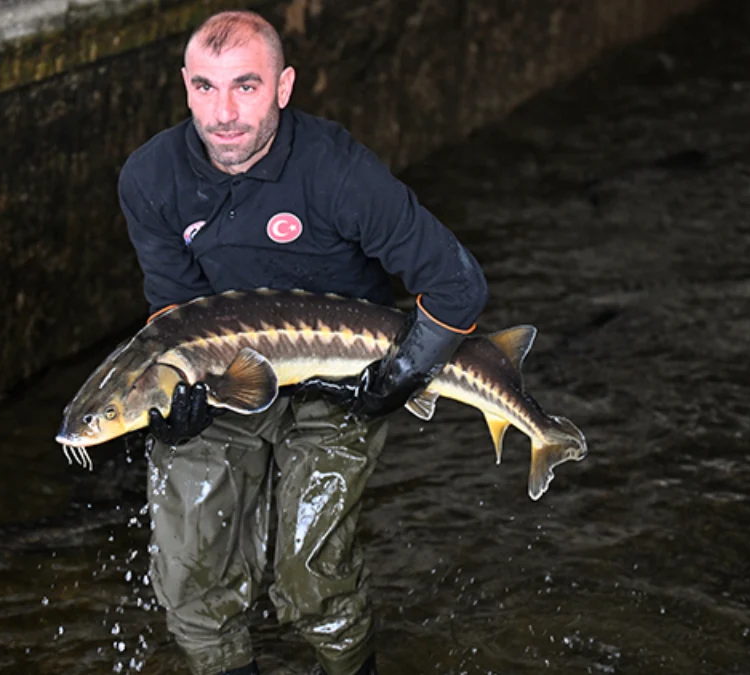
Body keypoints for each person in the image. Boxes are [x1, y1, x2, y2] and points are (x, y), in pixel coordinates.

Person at [116, 10, 488, 675]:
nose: (223, 113)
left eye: (246, 87)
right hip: (223, 368)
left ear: (284, 87)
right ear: (184, 86)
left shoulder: (337, 171)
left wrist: (399, 374)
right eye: (205, 87)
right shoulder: (150, 177)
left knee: (310, 573)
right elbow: (171, 305)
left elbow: (457, 286)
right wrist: (180, 397)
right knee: (189, 575)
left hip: (341, 374)